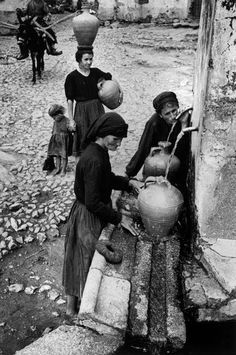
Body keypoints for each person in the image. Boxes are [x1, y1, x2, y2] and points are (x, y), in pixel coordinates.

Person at [62, 112, 138, 317]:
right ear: (103, 134)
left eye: (120, 140)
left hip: (87, 210)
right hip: (87, 215)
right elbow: (93, 202)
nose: (119, 144)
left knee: (77, 257)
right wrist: (120, 218)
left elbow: (107, 178)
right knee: (83, 259)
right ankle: (73, 311)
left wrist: (127, 183)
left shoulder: (98, 150)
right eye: (115, 139)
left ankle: (72, 308)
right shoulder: (94, 159)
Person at [125, 91, 192, 193]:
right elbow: (143, 149)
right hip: (156, 166)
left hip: (175, 164)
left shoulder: (183, 118)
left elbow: (184, 150)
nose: (173, 116)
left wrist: (183, 125)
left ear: (178, 107)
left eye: (174, 110)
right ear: (160, 115)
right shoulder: (154, 123)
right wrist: (129, 173)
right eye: (167, 113)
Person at [64, 47, 112, 163]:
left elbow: (109, 77)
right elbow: (70, 100)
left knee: (99, 136)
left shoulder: (95, 72)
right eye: (86, 59)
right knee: (82, 138)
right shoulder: (72, 77)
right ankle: (82, 166)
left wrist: (103, 82)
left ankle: (100, 162)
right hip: (81, 111)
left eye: (91, 59)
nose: (89, 62)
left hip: (97, 109)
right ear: (79, 60)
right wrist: (71, 120)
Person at [46, 104, 73, 177]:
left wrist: (71, 128)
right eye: (53, 117)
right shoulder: (55, 121)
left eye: (54, 117)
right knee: (57, 155)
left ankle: (63, 169)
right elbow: (53, 130)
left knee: (64, 156)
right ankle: (57, 168)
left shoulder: (66, 120)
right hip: (56, 141)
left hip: (64, 141)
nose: (54, 119)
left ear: (59, 114)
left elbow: (70, 129)